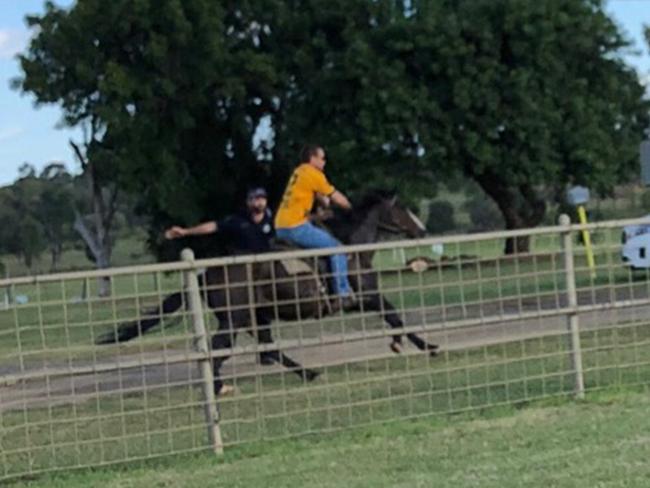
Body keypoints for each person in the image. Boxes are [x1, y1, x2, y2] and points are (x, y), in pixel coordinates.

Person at [274, 144, 355, 307]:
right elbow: (336, 197)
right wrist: (352, 208)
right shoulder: (314, 173)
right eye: (322, 158)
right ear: (313, 159)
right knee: (337, 249)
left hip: (281, 226)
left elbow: (321, 198)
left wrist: (321, 211)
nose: (325, 162)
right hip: (296, 227)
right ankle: (343, 293)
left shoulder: (299, 172)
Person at [165, 187, 274, 254]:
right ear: (248, 202)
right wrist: (186, 231)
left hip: (267, 265)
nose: (260, 202)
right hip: (244, 264)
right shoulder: (238, 220)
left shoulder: (273, 219)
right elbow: (213, 226)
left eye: (262, 199)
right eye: (256, 199)